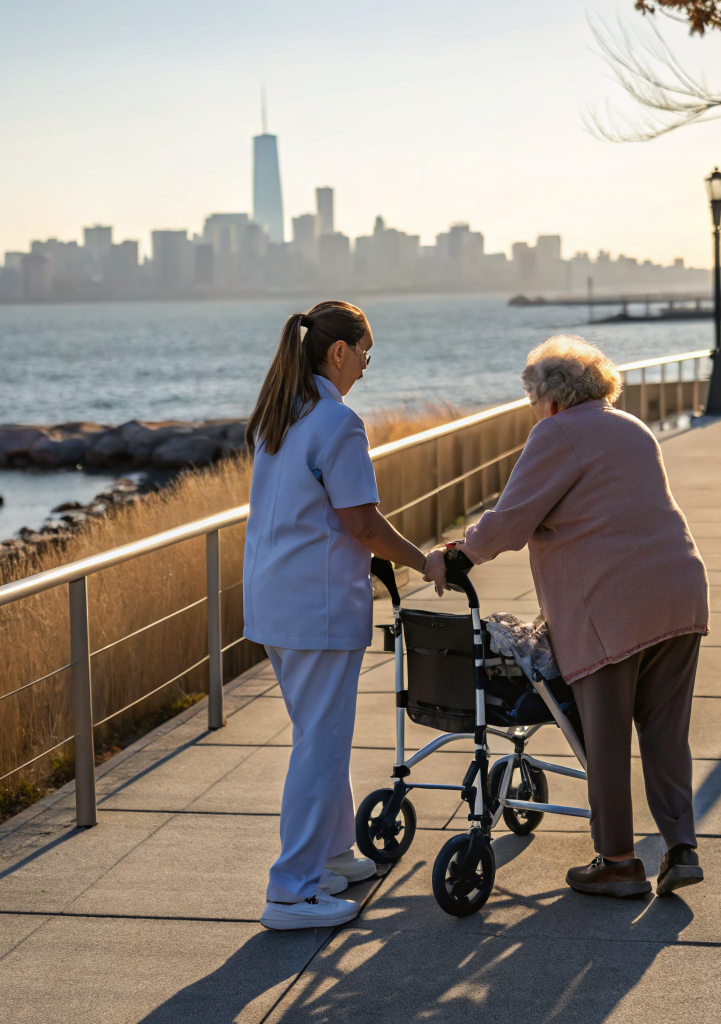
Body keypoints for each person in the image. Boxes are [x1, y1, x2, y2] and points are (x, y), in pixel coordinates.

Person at [423, 335, 710, 899]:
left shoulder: (557, 432)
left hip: (612, 606)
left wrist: (456, 555)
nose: (534, 411)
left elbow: (509, 520)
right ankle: (681, 848)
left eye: (532, 401)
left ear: (550, 399)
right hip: (680, 590)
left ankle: (620, 862)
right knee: (665, 731)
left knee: (604, 736)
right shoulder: (631, 427)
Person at [244, 300, 430, 930]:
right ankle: (291, 891)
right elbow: (362, 522)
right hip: (318, 609)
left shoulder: (283, 419)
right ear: (339, 351)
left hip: (276, 602)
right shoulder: (338, 423)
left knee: (318, 738)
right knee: (319, 746)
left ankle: (332, 855)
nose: (369, 363)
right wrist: (422, 561)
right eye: (366, 350)